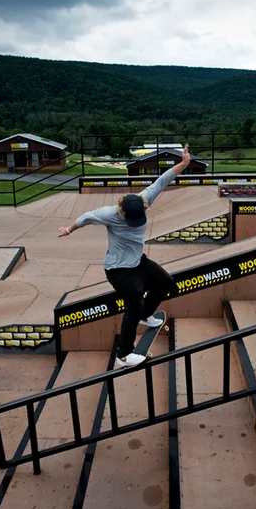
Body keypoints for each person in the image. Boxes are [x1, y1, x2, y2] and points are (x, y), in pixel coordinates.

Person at [58, 144, 192, 368]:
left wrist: (185, 163)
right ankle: (123, 355)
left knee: (166, 283)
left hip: (139, 262)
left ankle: (145, 315)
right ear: (122, 213)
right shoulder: (109, 214)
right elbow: (85, 217)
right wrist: (69, 230)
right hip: (118, 271)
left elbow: (163, 179)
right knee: (133, 306)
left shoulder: (144, 199)